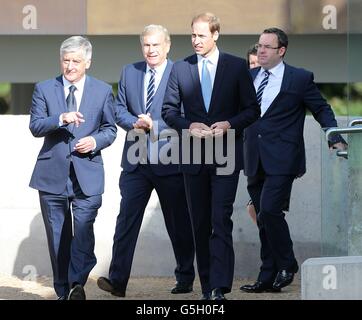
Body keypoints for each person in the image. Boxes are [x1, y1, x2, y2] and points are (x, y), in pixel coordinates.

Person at [240, 28, 347, 294]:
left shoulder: (299, 78)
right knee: (263, 218)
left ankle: (287, 264)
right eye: (259, 45)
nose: (261, 50)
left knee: (269, 210)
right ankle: (267, 276)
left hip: (283, 158)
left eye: (267, 47)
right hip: (253, 156)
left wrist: (333, 134)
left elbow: (321, 107)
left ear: (281, 51)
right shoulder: (248, 76)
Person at [162, 13, 260, 300]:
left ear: (215, 35)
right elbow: (169, 111)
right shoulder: (180, 68)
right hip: (192, 156)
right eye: (193, 35)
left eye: (201, 35)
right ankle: (207, 287)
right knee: (200, 223)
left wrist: (229, 124)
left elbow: (252, 110)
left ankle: (218, 286)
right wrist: (188, 125)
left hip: (226, 154)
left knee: (220, 218)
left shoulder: (236, 67)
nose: (195, 41)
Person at [96, 25, 195, 298]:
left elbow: (187, 114)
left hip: (171, 161)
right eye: (146, 45)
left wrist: (157, 125)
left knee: (178, 223)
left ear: (167, 46)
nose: (150, 50)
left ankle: (185, 276)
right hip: (136, 162)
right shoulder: (130, 71)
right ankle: (118, 281)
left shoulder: (182, 73)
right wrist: (134, 123)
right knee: (126, 220)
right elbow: (118, 108)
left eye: (155, 45)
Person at [29, 36, 117, 300]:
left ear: (87, 62)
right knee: (58, 238)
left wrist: (95, 141)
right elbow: (35, 126)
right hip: (52, 176)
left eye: (76, 61)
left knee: (83, 231)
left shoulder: (102, 91)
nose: (69, 66)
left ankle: (77, 283)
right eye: (65, 61)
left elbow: (110, 130)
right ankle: (63, 291)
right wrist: (60, 118)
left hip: (87, 174)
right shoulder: (44, 89)